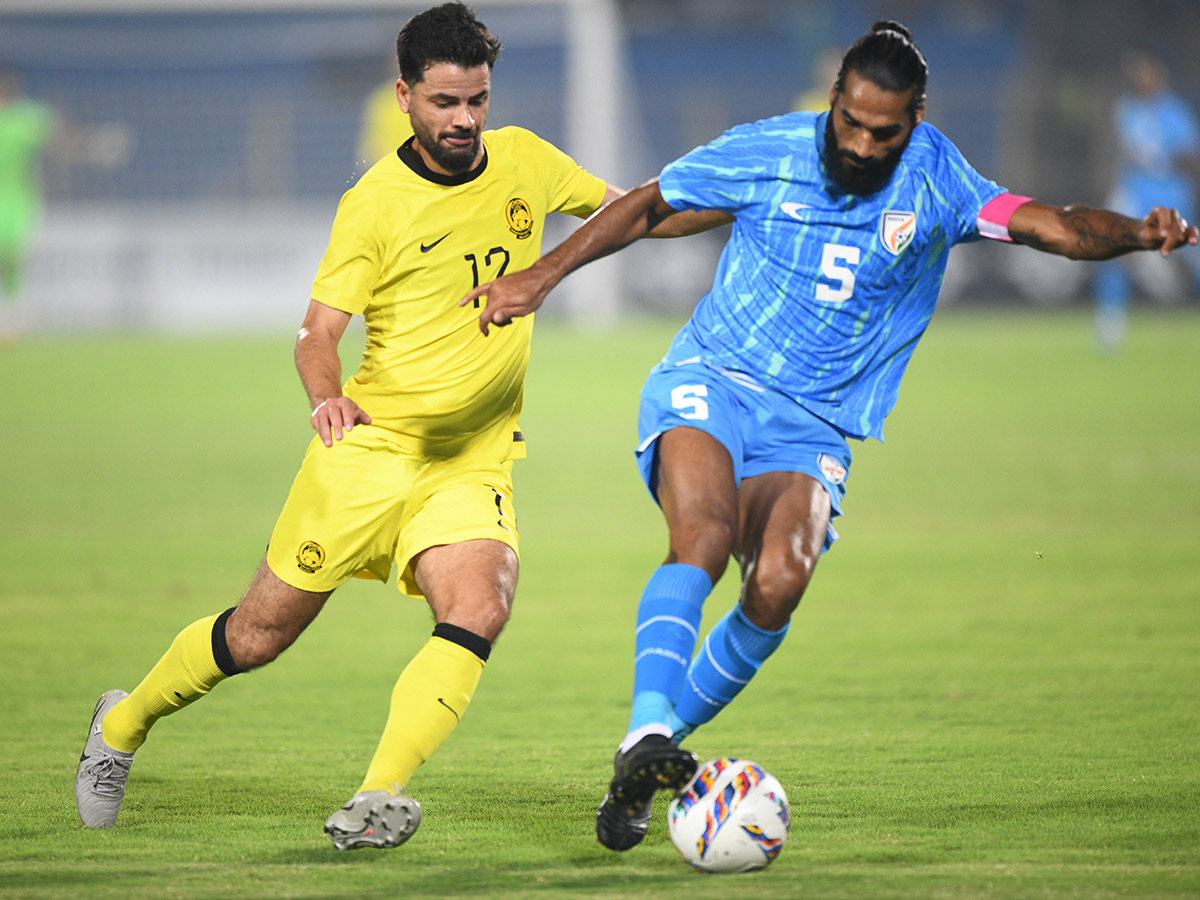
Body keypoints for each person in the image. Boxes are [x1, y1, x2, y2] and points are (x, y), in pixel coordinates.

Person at [460, 20, 1198, 852]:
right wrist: (542, 276)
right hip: (716, 378)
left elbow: (1054, 227)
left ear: (914, 119)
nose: (859, 142)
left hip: (815, 423)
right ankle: (644, 736)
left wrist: (1138, 234)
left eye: (882, 130)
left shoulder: (939, 179)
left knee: (777, 584)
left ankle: (645, 756)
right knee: (700, 538)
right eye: (849, 119)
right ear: (837, 97)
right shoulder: (770, 148)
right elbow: (649, 204)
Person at [73, 2, 707, 851]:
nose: (465, 120)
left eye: (477, 99)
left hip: (468, 464)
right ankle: (123, 724)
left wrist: (757, 202)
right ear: (405, 96)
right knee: (259, 636)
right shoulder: (375, 204)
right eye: (446, 102)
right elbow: (316, 335)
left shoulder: (524, 162)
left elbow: (639, 212)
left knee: (481, 603)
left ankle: (379, 794)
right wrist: (325, 395)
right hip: (367, 451)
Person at [1093, 50, 1199, 351]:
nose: (1141, 77)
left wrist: (1174, 169)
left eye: (1146, 71)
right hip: (1135, 191)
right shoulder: (1127, 109)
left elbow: (1190, 158)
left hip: (1169, 191)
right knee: (1114, 249)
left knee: (1186, 254)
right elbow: (1124, 154)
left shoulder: (1175, 113)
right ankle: (1110, 323)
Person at [0, 67, 54, 342]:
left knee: (11, 258)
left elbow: (58, 141)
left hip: (16, 200)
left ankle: (13, 320)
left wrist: (91, 145)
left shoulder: (28, 118)